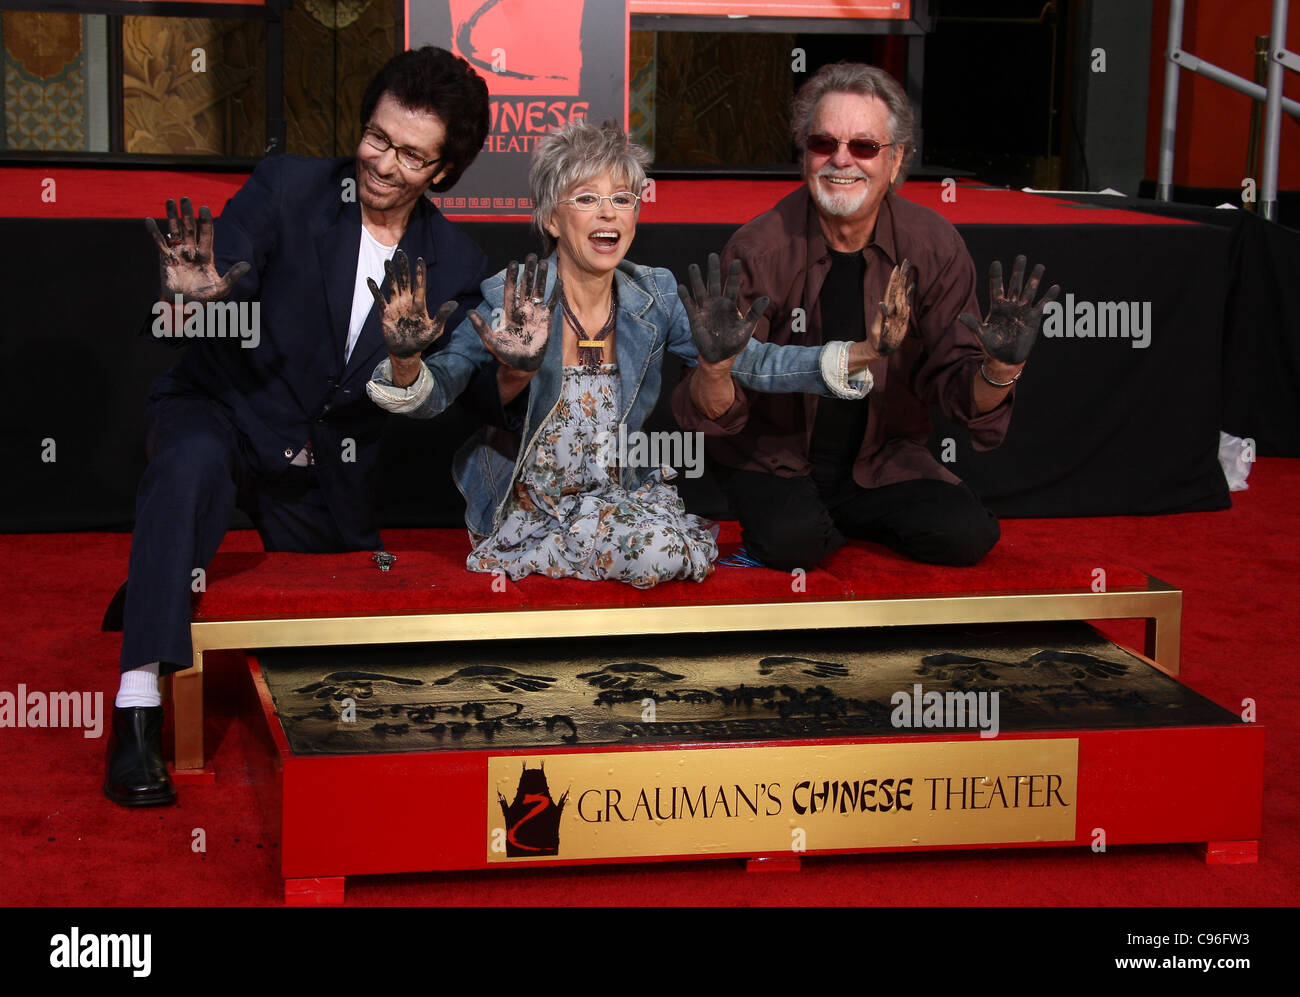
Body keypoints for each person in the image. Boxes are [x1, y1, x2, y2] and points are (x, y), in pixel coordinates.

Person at [106, 46, 496, 807]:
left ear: (443, 172)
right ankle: (134, 707)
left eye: (412, 155)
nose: (383, 163)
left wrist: (436, 365)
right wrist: (204, 288)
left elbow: (463, 394)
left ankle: (157, 567)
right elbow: (231, 259)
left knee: (347, 633)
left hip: (326, 460)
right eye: (378, 138)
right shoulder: (290, 186)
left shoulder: (454, 260)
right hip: (224, 406)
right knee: (188, 466)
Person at [366, 119, 871, 587]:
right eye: (586, 198)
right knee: (659, 553)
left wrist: (860, 353)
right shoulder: (513, 297)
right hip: (531, 503)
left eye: (623, 198)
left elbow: (755, 360)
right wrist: (407, 361)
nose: (609, 212)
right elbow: (442, 388)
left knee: (664, 547)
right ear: (552, 220)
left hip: (616, 492)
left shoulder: (653, 296)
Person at [672, 62, 1059, 571]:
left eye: (864, 146)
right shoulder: (758, 247)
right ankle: (810, 525)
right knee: (794, 547)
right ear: (804, 155)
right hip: (774, 458)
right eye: (822, 144)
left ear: (896, 160)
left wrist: (1001, 371)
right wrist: (715, 368)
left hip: (883, 460)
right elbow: (719, 411)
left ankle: (838, 520)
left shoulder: (934, 247)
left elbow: (962, 396)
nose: (840, 160)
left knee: (966, 537)